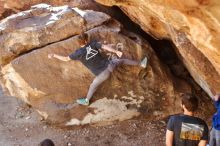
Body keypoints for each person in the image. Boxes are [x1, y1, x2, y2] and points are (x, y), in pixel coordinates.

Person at [48, 33, 147, 106]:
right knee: (122, 61)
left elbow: (65, 59)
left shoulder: (77, 53)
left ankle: (87, 100)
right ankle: (141, 64)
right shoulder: (93, 44)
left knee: (93, 85)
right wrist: (116, 51)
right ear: (86, 40)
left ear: (79, 43)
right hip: (110, 65)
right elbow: (106, 48)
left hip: (102, 74)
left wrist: (54, 55)